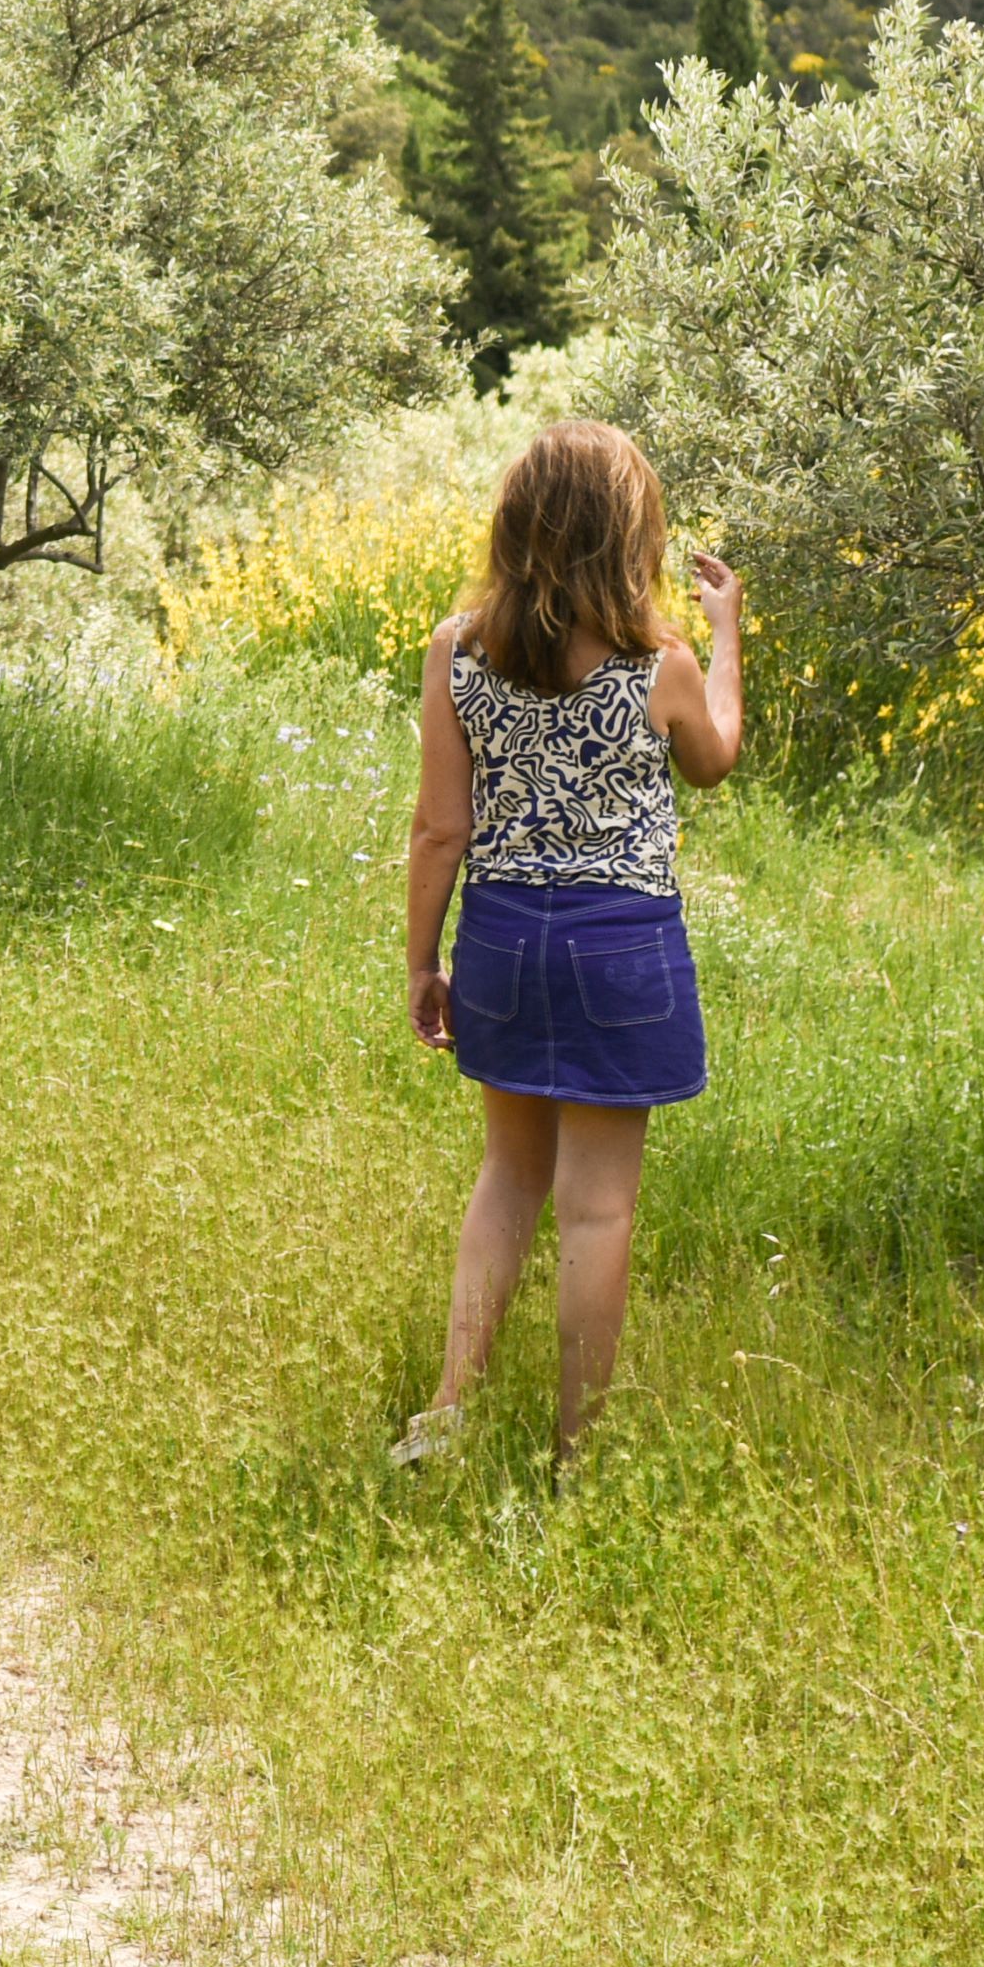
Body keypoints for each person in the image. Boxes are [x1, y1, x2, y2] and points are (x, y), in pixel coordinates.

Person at [394, 422, 744, 1469]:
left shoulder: (457, 650)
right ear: (627, 537)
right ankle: (575, 1452)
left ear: (516, 526)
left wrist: (423, 961)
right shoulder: (659, 663)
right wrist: (728, 635)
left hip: (501, 938)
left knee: (507, 1178)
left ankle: (449, 1413)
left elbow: (438, 828)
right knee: (597, 1214)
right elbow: (714, 761)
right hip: (620, 949)